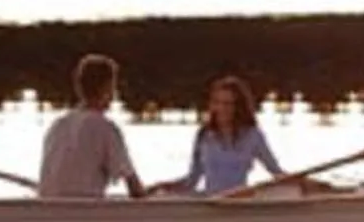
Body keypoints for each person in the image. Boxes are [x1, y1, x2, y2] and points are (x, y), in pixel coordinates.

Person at [38, 53, 147, 197]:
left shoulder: (58, 125)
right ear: (107, 88)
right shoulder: (106, 128)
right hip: (84, 211)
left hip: (49, 207)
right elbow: (133, 185)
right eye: (113, 87)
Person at [172, 75, 287, 194]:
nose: (222, 109)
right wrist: (165, 187)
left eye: (228, 104)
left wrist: (301, 182)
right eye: (218, 103)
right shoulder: (205, 135)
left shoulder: (252, 135)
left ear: (238, 107)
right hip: (210, 202)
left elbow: (276, 172)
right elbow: (192, 180)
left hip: (238, 202)